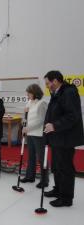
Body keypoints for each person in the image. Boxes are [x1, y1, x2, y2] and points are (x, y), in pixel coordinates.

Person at [44, 71, 84, 207]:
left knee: (65, 168)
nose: (47, 86)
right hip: (57, 137)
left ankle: (66, 198)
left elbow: (73, 116)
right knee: (56, 166)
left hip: (66, 138)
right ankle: (58, 190)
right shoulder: (56, 93)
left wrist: (54, 125)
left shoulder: (69, 92)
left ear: (55, 80)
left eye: (48, 83)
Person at [20, 84, 49, 188]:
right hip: (30, 133)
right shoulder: (29, 102)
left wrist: (29, 128)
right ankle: (30, 176)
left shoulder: (42, 103)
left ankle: (44, 180)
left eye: (29, 93)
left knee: (41, 158)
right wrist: (23, 121)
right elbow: (26, 117)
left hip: (39, 134)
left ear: (35, 93)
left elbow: (42, 120)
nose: (27, 95)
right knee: (31, 156)